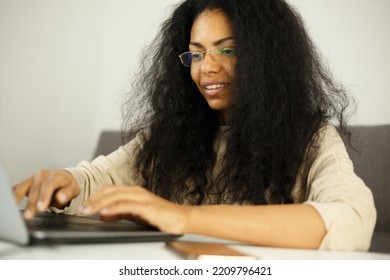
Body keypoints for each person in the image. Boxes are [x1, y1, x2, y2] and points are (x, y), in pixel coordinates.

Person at [13, 0, 376, 251]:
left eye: (227, 49)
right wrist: (66, 183)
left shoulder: (312, 138)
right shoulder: (169, 136)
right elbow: (99, 178)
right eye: (196, 53)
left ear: (267, 59)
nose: (207, 68)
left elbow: (351, 219)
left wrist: (182, 216)